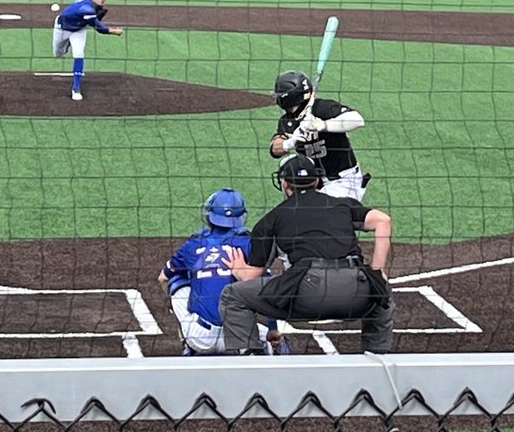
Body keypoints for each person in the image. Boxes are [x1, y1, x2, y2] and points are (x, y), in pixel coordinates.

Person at [219, 154, 394, 355]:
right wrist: (377, 272)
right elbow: (383, 221)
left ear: (284, 183)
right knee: (382, 293)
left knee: (233, 296)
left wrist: (239, 270)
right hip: (356, 290)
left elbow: (251, 276)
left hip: (308, 293)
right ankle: (378, 361)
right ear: (317, 180)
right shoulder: (342, 204)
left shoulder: (272, 219)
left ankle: (252, 364)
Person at [158, 187, 286, 355]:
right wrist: (272, 330)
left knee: (177, 281)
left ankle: (187, 343)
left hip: (200, 338)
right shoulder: (248, 245)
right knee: (261, 282)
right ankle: (273, 359)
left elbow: (162, 278)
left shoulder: (192, 245)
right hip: (238, 337)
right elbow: (268, 292)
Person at [270, 70, 369, 200]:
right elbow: (274, 149)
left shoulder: (322, 108)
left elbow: (357, 120)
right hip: (313, 183)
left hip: (343, 181)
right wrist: (291, 142)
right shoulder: (287, 121)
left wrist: (322, 125)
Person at [51, 0, 123, 100]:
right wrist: (114, 31)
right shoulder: (86, 8)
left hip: (79, 30)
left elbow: (94, 22)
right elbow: (100, 28)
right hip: (62, 28)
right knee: (58, 53)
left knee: (79, 54)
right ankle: (67, 43)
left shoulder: (93, 7)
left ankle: (76, 88)